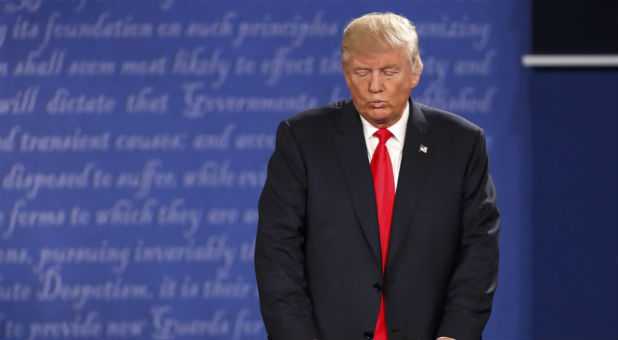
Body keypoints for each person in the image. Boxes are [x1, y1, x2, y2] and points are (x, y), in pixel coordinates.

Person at [254, 12, 500, 340]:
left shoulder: (461, 144)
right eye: (362, 72)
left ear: (415, 72)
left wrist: (455, 334)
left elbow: (478, 247)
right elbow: (277, 250)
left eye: (388, 72)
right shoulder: (302, 139)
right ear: (346, 73)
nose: (374, 86)